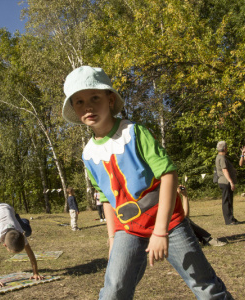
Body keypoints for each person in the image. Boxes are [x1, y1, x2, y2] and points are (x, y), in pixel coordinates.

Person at [62, 66, 232, 300]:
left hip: (169, 223)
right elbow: (106, 198)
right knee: (113, 292)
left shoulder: (134, 133)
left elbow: (168, 174)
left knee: (205, 285)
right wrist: (112, 239)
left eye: (94, 97)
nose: (88, 106)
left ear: (110, 99)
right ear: (73, 108)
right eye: (79, 102)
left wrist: (161, 231)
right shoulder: (88, 154)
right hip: (127, 229)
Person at [215, 141, 239, 225]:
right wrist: (231, 182)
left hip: (225, 181)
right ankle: (228, 220)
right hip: (225, 182)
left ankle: (231, 217)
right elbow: (225, 170)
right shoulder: (221, 158)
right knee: (226, 201)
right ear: (225, 148)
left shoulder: (221, 157)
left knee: (229, 200)